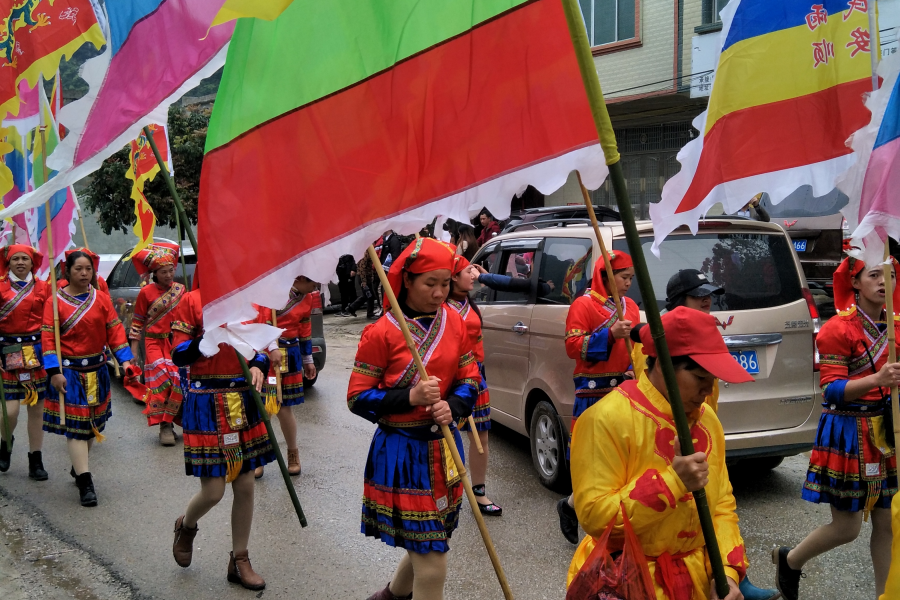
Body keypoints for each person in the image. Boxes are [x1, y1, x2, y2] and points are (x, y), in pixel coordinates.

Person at [567, 307, 752, 600]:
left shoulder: (708, 421)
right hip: (627, 580)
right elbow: (594, 516)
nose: (709, 389)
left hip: (696, 582)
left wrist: (726, 574)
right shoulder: (604, 419)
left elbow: (721, 506)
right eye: (701, 377)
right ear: (663, 365)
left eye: (714, 379)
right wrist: (671, 483)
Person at [348, 237, 479, 600]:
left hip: (445, 449)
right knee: (433, 560)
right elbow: (357, 398)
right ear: (406, 280)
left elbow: (471, 379)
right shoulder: (381, 332)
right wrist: (410, 397)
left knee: (431, 539)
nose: (439, 293)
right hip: (402, 453)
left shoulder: (454, 321)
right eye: (429, 284)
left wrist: (453, 405)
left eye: (444, 283)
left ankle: (390, 596)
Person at [637, 269, 779, 600]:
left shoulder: (708, 342)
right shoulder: (656, 345)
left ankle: (729, 573)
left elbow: (722, 504)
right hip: (664, 445)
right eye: (697, 294)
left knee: (716, 498)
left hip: (700, 427)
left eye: (709, 293)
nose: (707, 299)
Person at [774, 256, 900, 600]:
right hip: (848, 430)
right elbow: (831, 390)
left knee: (888, 523)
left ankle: (884, 596)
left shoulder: (896, 326)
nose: (883, 282)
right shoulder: (837, 329)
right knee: (847, 528)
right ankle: (791, 560)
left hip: (886, 430)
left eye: (889, 275)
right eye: (874, 275)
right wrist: (877, 378)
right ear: (855, 284)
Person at [170, 288, 275, 591]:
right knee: (214, 492)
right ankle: (186, 525)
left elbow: (262, 351)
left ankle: (239, 559)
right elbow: (178, 354)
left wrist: (258, 364)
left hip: (243, 402)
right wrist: (208, 341)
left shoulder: (252, 300)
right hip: (206, 404)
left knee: (244, 485)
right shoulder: (192, 301)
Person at [557, 251, 639, 545]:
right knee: (594, 462)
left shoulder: (631, 308)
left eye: (631, 278)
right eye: (623, 277)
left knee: (623, 461)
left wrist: (634, 369)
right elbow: (572, 346)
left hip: (625, 393)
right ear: (605, 276)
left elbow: (637, 347)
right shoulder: (583, 305)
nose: (629, 283)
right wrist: (610, 334)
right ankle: (579, 510)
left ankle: (583, 510)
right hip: (593, 394)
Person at [42, 249, 134, 507]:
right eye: (78, 269)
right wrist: (54, 371)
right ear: (67, 272)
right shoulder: (54, 302)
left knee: (92, 426)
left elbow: (115, 332)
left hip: (98, 370)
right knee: (77, 429)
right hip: (69, 374)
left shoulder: (101, 300)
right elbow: (48, 338)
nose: (84, 273)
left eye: (88, 269)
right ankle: (86, 482)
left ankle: (78, 466)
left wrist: (125, 361)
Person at [448, 255, 501, 516]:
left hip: (477, 375)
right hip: (452, 378)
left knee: (481, 437)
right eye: (468, 270)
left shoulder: (469, 303)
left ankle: (478, 492)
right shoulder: (441, 306)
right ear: (453, 277)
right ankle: (450, 490)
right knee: (446, 436)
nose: (473, 274)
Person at [253, 275, 318, 478]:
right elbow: (262, 320)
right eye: (312, 283)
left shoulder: (307, 298)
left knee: (284, 408)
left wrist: (308, 360)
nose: (314, 287)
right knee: (263, 407)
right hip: (266, 353)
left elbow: (305, 330)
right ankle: (259, 456)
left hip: (290, 354)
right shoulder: (272, 291)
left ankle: (293, 453)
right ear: (298, 279)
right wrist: (272, 347)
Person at [0, 245, 51, 480]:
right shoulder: (0, 287)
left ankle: (36, 458)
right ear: (8, 263)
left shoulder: (44, 288)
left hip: (36, 353)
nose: (20, 262)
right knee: (8, 412)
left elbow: (52, 323)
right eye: (15, 259)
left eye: (25, 259)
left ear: (33, 263)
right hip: (6, 353)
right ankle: (5, 442)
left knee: (36, 409)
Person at [128, 243, 185, 446]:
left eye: (171, 271)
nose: (169, 275)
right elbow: (137, 322)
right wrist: (133, 352)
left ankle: (171, 420)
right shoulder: (146, 293)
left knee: (179, 382)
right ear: (155, 273)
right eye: (163, 272)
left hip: (176, 342)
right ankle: (164, 427)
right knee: (162, 383)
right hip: (153, 342)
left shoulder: (181, 290)